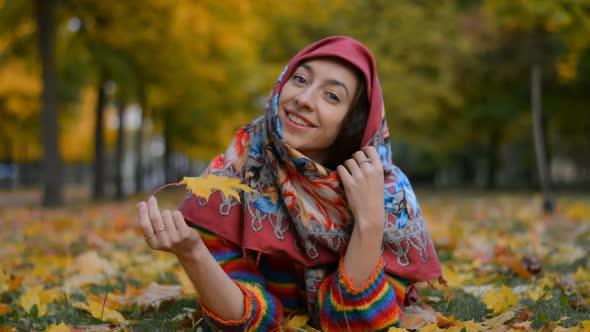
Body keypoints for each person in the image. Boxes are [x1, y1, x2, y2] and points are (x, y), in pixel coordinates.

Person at [137, 36, 443, 331]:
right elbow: (246, 322)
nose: (303, 99)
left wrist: (370, 222)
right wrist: (193, 253)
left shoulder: (387, 194)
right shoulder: (231, 177)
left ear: (354, 122)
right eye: (300, 80)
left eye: (332, 96)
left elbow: (355, 324)